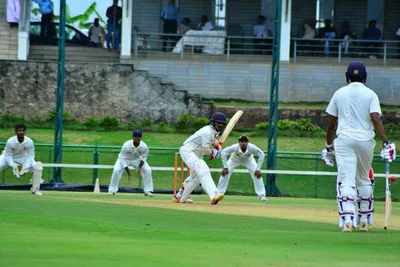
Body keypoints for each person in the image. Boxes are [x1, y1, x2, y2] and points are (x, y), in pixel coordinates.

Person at [321, 61, 396, 232]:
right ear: (365, 77)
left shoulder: (339, 93)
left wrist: (328, 147)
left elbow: (331, 124)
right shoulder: (371, 94)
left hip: (345, 140)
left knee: (346, 179)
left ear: (347, 77)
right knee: (363, 178)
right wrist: (385, 142)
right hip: (365, 141)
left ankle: (348, 220)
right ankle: (364, 221)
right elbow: (375, 118)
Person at [173, 112, 226, 205]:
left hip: (197, 153)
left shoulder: (214, 133)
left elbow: (213, 142)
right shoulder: (207, 131)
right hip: (189, 151)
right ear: (213, 122)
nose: (220, 125)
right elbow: (205, 149)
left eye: (222, 123)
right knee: (202, 166)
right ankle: (214, 195)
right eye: (218, 123)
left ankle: (180, 197)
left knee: (196, 178)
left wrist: (217, 147)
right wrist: (213, 153)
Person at [217, 135, 267, 202]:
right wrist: (225, 167)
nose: (243, 143)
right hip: (234, 160)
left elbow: (262, 154)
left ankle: (262, 195)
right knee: (225, 173)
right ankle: (219, 193)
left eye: (245, 141)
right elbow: (223, 152)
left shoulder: (251, 147)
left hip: (249, 161)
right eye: (241, 141)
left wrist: (258, 169)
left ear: (248, 142)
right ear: (239, 142)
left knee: (257, 175)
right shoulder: (235, 147)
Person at [0, 124, 44, 196]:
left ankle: (35, 189)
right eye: (19, 130)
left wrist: (25, 167)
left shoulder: (29, 142)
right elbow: (8, 155)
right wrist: (13, 166)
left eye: (23, 130)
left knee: (37, 167)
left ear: (25, 132)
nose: (21, 132)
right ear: (16, 132)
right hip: (7, 156)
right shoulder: (10, 141)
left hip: (22, 157)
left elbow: (31, 156)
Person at [108, 130, 154, 197]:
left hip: (137, 160)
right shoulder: (126, 145)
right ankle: (112, 190)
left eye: (139, 136)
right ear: (132, 137)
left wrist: (139, 168)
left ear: (141, 137)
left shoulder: (144, 146)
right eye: (135, 136)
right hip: (124, 159)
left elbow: (144, 157)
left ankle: (148, 191)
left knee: (147, 170)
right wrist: (127, 170)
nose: (137, 138)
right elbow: (121, 158)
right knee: (116, 170)